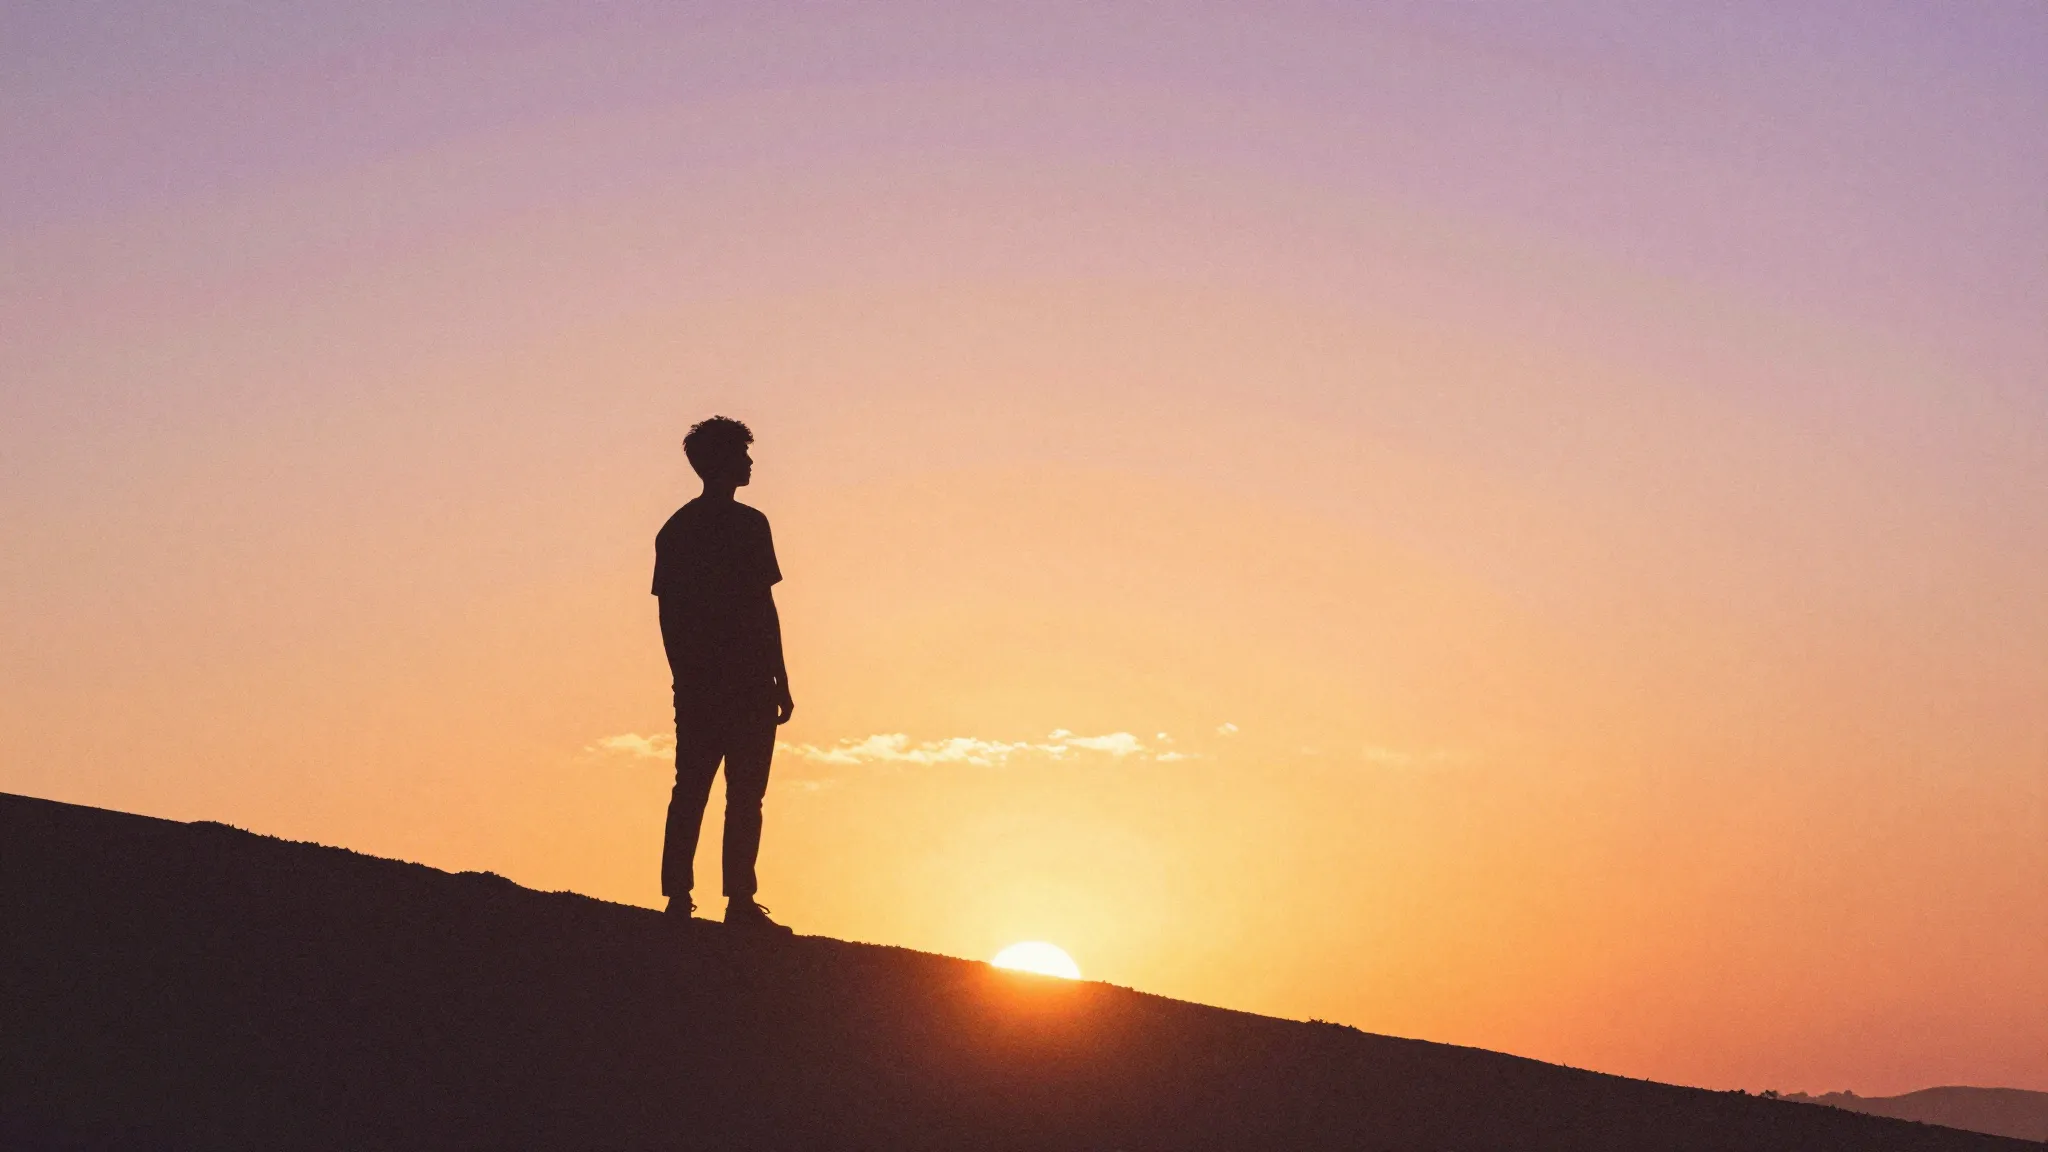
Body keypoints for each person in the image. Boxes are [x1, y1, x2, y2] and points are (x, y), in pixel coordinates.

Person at [652, 416, 795, 934]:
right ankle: (696, 898)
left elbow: (762, 606)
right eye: (741, 453)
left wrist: (779, 677)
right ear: (720, 461)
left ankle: (722, 899)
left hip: (740, 682)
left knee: (725, 793)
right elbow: (672, 614)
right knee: (709, 791)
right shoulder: (694, 529)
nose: (750, 462)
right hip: (720, 682)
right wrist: (690, 677)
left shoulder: (699, 527)